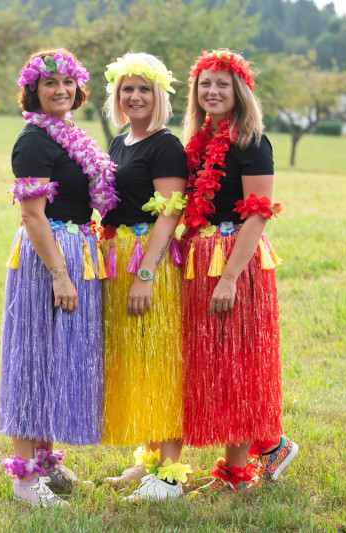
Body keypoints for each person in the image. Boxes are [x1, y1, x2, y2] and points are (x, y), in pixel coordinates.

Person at [0, 48, 119, 507]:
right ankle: (25, 479)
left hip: (77, 248)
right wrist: (60, 275)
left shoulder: (67, 134)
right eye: (50, 83)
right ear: (34, 91)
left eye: (68, 82)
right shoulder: (33, 141)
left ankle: (46, 462)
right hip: (50, 256)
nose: (61, 90)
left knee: (56, 356)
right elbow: (32, 215)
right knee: (33, 358)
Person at [180, 49, 298, 495]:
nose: (212, 91)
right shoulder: (198, 142)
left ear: (240, 90)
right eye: (205, 84)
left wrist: (229, 277)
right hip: (200, 257)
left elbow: (258, 214)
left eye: (222, 84)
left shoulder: (252, 142)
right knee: (212, 359)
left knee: (238, 361)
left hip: (236, 259)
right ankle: (271, 444)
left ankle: (236, 473)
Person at [97, 53, 190, 501]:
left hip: (148, 262)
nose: (135, 96)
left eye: (144, 89)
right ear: (116, 95)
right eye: (127, 89)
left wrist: (146, 274)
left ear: (159, 96)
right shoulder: (120, 142)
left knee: (160, 362)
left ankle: (170, 476)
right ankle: (149, 460)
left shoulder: (165, 145)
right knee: (136, 360)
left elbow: (169, 215)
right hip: (118, 260)